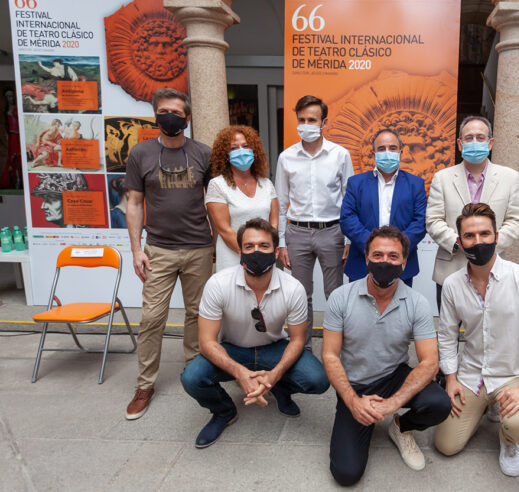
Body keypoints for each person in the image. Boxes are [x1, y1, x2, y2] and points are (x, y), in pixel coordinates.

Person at [433, 203, 519, 477]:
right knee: (445, 445)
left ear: (496, 237)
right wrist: (451, 378)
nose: (477, 241)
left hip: (512, 376)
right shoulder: (453, 285)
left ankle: (509, 440)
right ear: (460, 241)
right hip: (472, 374)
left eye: (484, 234)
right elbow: (446, 335)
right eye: (469, 236)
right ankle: (485, 407)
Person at [181, 218, 329, 448]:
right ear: (239, 251)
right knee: (192, 377)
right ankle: (224, 411)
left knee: (317, 379)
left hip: (274, 349)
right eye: (249, 247)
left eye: (264, 246)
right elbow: (206, 342)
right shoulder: (218, 284)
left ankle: (279, 388)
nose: (256, 251)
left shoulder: (293, 288)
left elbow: (298, 339)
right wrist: (240, 373)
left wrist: (275, 374)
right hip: (233, 349)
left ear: (276, 251)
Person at [322, 225, 451, 486]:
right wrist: (353, 401)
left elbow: (429, 362)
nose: (385, 261)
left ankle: (401, 427)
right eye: (378, 255)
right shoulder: (340, 298)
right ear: (366, 258)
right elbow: (330, 356)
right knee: (346, 474)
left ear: (404, 262)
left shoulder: (417, 302)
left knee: (439, 403)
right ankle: (361, 416)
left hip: (393, 376)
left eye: (393, 256)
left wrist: (390, 405)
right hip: (355, 385)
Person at [123, 87, 214, 420]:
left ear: (187, 118)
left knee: (197, 315)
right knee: (151, 318)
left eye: (176, 112)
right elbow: (133, 202)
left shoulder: (203, 153)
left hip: (198, 248)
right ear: (155, 115)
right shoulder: (141, 154)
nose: (169, 117)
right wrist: (136, 249)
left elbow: (214, 201)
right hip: (158, 249)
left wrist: (217, 243)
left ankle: (194, 371)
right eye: (164, 111)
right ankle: (145, 384)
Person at [275, 95, 354, 351]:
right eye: (302, 120)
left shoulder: (340, 155)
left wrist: (349, 239)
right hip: (296, 232)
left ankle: (334, 350)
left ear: (324, 122)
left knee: (335, 295)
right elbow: (281, 202)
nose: (306, 124)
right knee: (300, 296)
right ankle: (302, 350)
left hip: (332, 232)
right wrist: (282, 243)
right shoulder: (286, 157)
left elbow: (348, 199)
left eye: (312, 120)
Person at [426, 115, 519, 310]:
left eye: (480, 138)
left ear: (490, 143)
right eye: (469, 138)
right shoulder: (442, 178)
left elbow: (516, 219)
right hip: (451, 268)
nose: (474, 142)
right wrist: (459, 243)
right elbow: (433, 220)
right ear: (460, 144)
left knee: (490, 332)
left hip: (493, 269)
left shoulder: (509, 177)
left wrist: (489, 245)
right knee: (449, 334)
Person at [340, 128, 426, 287]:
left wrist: (397, 247)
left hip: (401, 264)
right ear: (373, 153)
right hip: (362, 263)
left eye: (392, 148)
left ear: (401, 151)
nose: (387, 152)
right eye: (381, 149)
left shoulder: (416, 184)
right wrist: (372, 244)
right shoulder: (355, 183)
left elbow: (420, 222)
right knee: (359, 310)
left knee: (401, 310)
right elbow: (347, 219)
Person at [206, 125, 278, 271]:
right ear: (225, 155)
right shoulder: (217, 185)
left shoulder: (266, 184)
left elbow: (274, 222)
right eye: (234, 148)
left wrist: (264, 251)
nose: (241, 151)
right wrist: (250, 254)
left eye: (246, 146)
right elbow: (224, 229)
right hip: (233, 257)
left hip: (265, 257)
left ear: (254, 150)